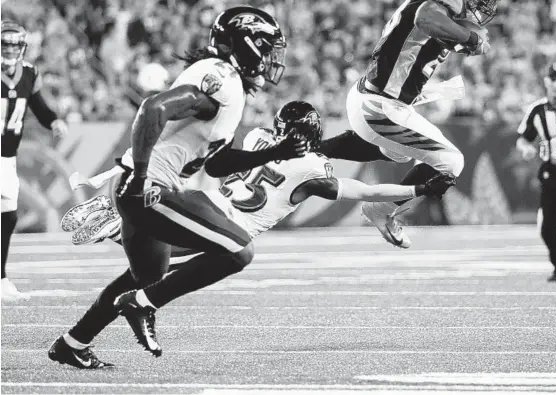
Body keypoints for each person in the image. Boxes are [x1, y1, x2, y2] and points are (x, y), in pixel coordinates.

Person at [52, 100, 453, 367]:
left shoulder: (260, 138)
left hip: (205, 206)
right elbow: (363, 190)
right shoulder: (311, 171)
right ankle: (122, 234)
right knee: (175, 274)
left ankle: (73, 342)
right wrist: (416, 189)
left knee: (140, 275)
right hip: (220, 229)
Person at [48, 5, 310, 369]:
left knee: (146, 276)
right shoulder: (222, 79)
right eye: (265, 49)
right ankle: (142, 304)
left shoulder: (227, 83)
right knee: (238, 251)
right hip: (150, 188)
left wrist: (279, 151)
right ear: (244, 45)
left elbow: (216, 164)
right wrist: (142, 179)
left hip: (142, 186)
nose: (269, 60)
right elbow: (153, 108)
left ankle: (72, 343)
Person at [316, 0, 503, 248]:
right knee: (451, 162)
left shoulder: (446, 3)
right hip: (380, 107)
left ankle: (311, 150)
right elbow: (426, 18)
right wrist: (469, 40)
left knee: (399, 152)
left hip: (371, 100)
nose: (485, 5)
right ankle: (381, 210)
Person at [1, 20, 68, 302]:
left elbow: (37, 105)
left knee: (9, 212)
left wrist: (53, 121)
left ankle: (1, 277)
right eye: (6, 44)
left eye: (15, 45)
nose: (10, 50)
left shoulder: (29, 73)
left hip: (7, 154)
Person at [516, 61, 556, 282]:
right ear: (546, 82)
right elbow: (523, 139)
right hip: (550, 173)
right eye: (553, 79)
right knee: (547, 227)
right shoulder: (537, 110)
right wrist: (526, 149)